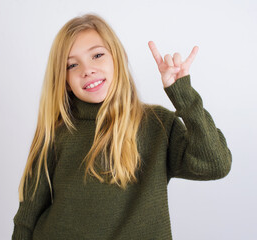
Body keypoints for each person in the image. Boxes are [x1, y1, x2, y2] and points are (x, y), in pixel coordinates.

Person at [12, 13, 232, 240]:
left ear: (118, 57)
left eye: (97, 55)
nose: (87, 70)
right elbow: (28, 215)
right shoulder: (57, 131)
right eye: (72, 65)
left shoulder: (157, 125)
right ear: (64, 81)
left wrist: (183, 95)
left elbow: (215, 164)